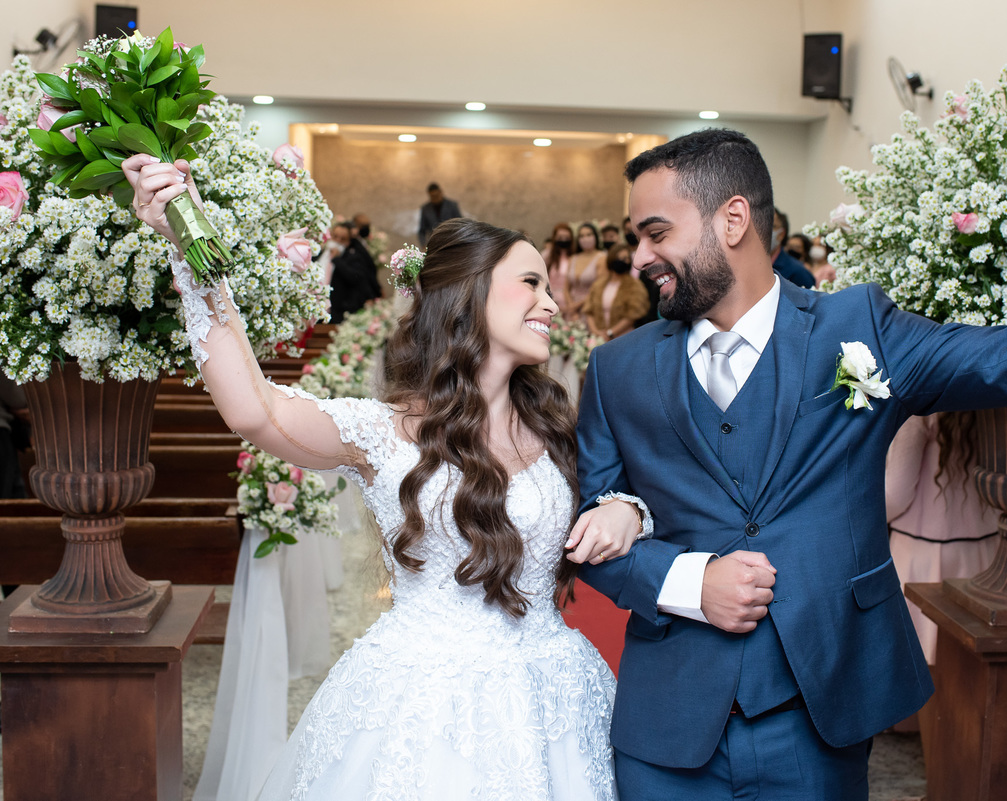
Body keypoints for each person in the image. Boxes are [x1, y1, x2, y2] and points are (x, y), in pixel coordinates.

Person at [573, 128, 1007, 799]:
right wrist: (692, 583)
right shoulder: (617, 370)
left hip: (817, 714)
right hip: (668, 726)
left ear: (733, 219)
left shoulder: (859, 326)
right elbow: (589, 531)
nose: (638, 258)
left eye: (655, 233)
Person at [123, 155, 651, 800]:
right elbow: (252, 409)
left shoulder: (563, 425)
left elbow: (637, 493)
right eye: (532, 283)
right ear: (470, 295)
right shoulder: (384, 433)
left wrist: (630, 510)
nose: (551, 302)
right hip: (418, 705)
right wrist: (188, 249)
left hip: (555, 700)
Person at [885, 413, 999, 664]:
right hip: (985, 553)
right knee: (969, 669)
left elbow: (895, 495)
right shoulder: (996, 406)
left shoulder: (920, 412)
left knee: (916, 665)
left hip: (919, 558)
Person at [581, 243, 649, 342]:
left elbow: (633, 314)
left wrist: (610, 333)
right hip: (598, 338)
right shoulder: (598, 284)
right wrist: (595, 332)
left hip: (624, 338)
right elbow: (589, 310)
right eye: (619, 258)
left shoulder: (635, 285)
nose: (623, 261)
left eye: (626, 258)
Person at [328, 222, 382, 323]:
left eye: (343, 239)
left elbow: (356, 277)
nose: (338, 241)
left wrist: (337, 259)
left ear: (348, 241)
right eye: (335, 236)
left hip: (339, 311)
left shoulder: (353, 257)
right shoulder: (319, 253)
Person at [564, 222, 607, 322]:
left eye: (589, 234)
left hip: (589, 308)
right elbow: (566, 288)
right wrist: (571, 306)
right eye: (581, 236)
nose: (585, 238)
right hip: (571, 310)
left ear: (595, 237)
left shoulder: (602, 258)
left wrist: (576, 306)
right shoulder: (573, 258)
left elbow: (598, 289)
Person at [769, 208, 814, 288]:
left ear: (781, 234)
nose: (764, 230)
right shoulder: (748, 265)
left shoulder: (798, 272)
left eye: (772, 226)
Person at [418, 182, 463, 247]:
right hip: (433, 243)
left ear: (441, 192)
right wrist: (423, 245)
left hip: (451, 241)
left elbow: (460, 224)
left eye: (436, 195)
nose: (435, 198)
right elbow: (422, 231)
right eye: (432, 196)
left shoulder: (452, 205)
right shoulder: (425, 208)